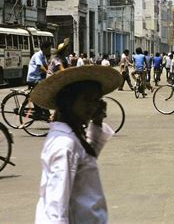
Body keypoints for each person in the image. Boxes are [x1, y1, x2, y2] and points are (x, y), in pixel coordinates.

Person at [30, 65, 122, 223]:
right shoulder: (65, 145)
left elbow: (86, 156)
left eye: (95, 100)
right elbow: (56, 205)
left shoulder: (71, 136)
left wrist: (97, 123)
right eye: (86, 100)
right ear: (68, 101)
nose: (92, 106)